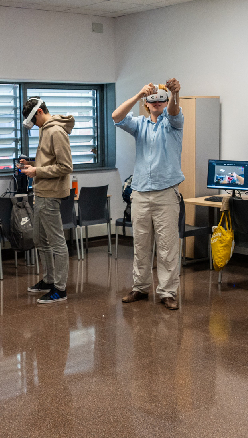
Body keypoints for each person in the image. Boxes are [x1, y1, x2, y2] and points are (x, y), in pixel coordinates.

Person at [113, 79, 183, 310]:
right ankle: (140, 288)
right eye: (152, 99)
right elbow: (116, 116)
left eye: (161, 99)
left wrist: (174, 94)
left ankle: (167, 292)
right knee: (141, 245)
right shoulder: (139, 124)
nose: (157, 102)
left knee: (167, 246)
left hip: (166, 193)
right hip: (141, 193)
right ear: (146, 103)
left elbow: (174, 111)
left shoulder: (173, 123)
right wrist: (138, 94)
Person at [19, 97, 75, 304]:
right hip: (41, 192)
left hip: (51, 194)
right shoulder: (45, 129)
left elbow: (65, 166)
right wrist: (32, 164)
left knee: (57, 241)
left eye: (34, 120)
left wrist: (37, 171)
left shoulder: (56, 131)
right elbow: (49, 160)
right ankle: (49, 279)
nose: (34, 125)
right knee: (39, 239)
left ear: (40, 111)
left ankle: (60, 289)